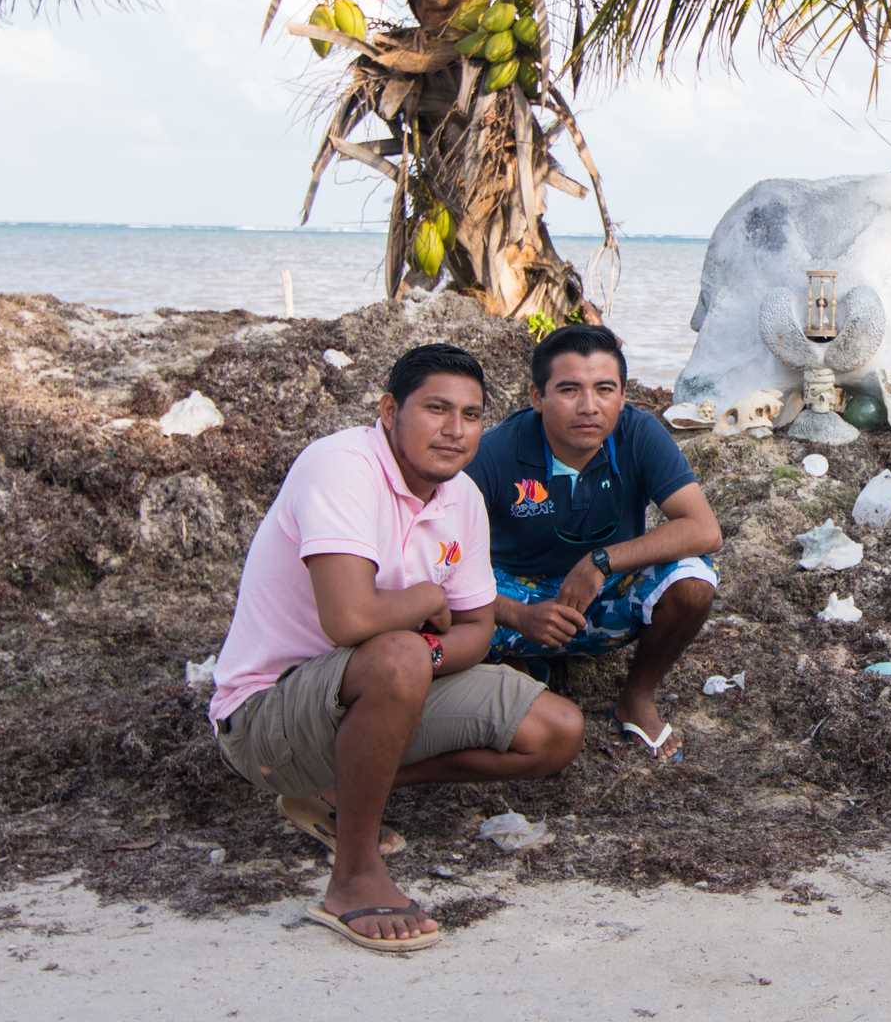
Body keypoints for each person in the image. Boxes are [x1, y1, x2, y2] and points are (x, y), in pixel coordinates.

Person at [208, 344, 585, 954]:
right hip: (267, 718)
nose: (455, 430)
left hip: (378, 690)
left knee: (556, 730)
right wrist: (422, 601)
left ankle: (338, 792)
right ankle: (353, 877)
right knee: (397, 655)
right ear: (389, 410)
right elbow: (349, 619)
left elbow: (477, 628)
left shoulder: (460, 496)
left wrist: (424, 657)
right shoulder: (341, 466)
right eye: (436, 409)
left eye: (471, 414)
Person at [466, 324, 721, 764]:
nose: (589, 407)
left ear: (623, 395)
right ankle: (515, 673)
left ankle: (637, 698)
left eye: (605, 389)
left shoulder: (638, 433)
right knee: (442, 614)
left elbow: (704, 528)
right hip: (514, 598)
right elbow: (439, 561)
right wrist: (518, 614)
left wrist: (601, 562)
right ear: (536, 397)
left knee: (694, 579)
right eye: (568, 390)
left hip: (602, 593)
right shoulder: (495, 452)